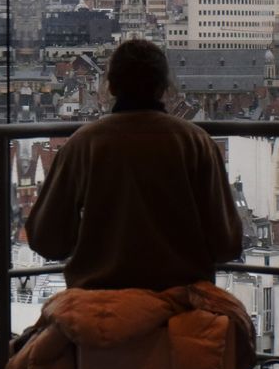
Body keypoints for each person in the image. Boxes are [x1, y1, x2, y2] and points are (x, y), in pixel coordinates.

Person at [25, 38, 244, 290]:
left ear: (111, 86)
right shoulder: (197, 143)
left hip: (101, 303)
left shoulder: (83, 144)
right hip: (180, 302)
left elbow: (46, 240)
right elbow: (227, 244)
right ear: (164, 87)